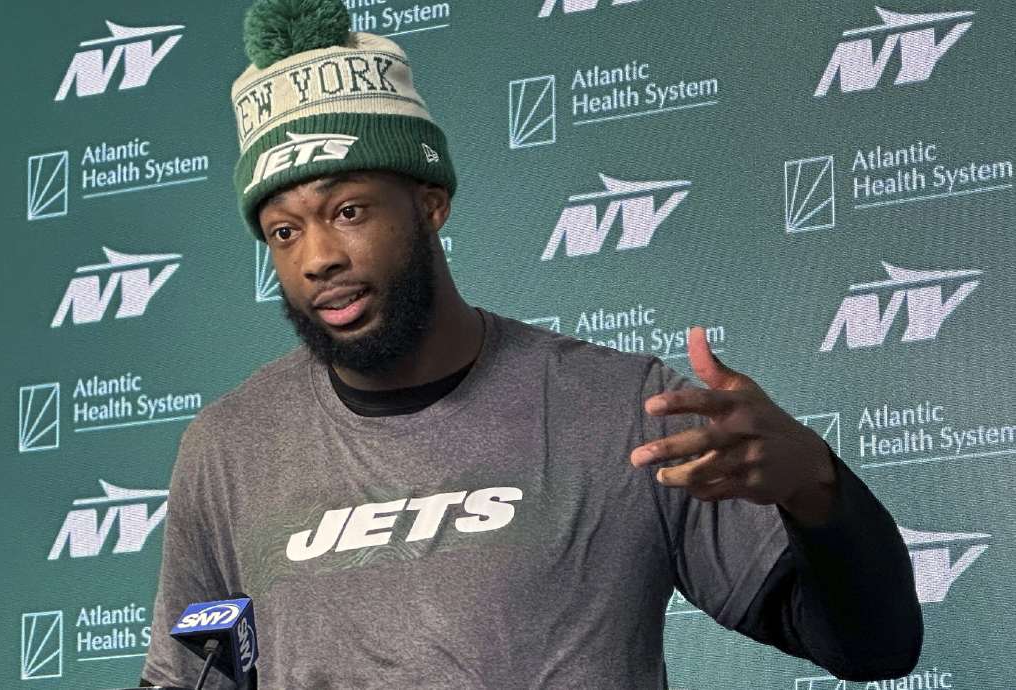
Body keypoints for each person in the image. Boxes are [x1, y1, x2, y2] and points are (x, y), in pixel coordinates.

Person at [141, 0, 922, 686]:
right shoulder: (229, 449)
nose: (317, 258)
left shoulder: (624, 411)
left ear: (429, 204)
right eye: (284, 232)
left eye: (348, 211)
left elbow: (874, 647)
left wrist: (816, 488)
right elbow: (188, 678)